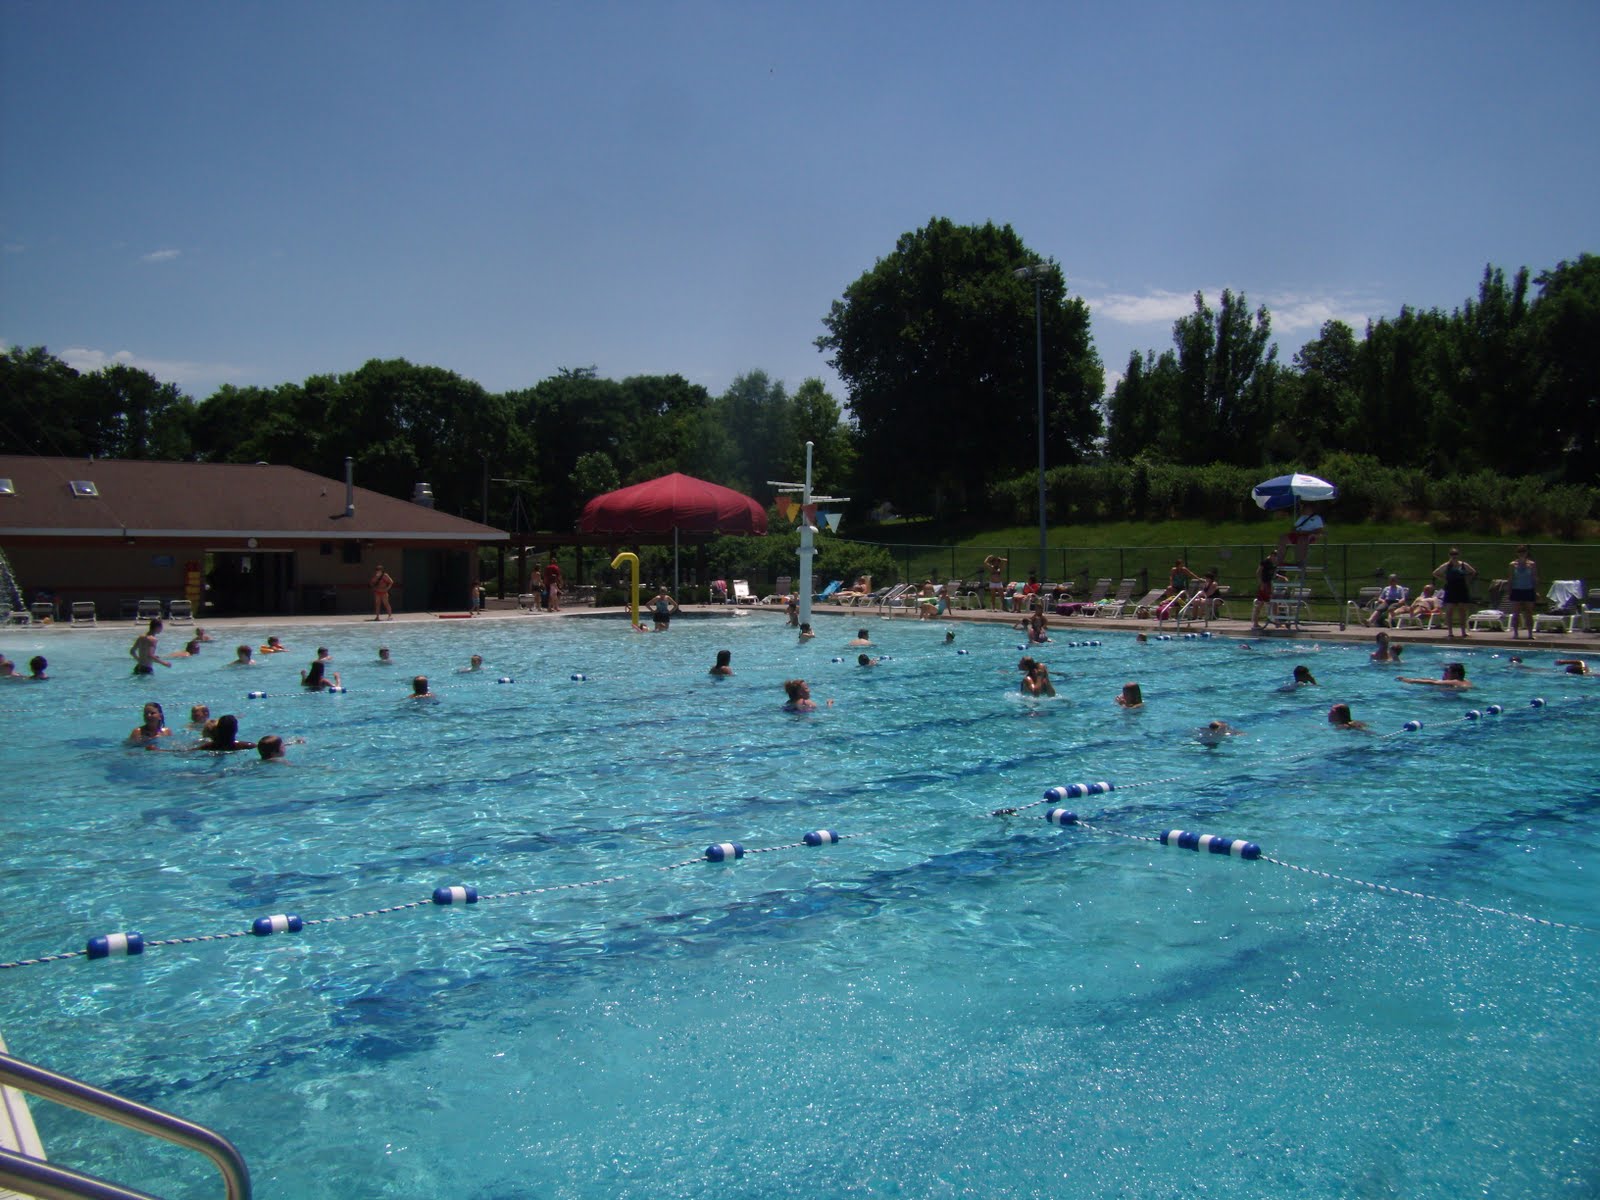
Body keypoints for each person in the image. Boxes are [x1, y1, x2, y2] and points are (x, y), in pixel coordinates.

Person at [1431, 549, 1478, 639]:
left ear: (1458, 555)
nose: (1454, 556)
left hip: (1461, 588)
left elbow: (1473, 572)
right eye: (1452, 554)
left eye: (1455, 554)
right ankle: (1450, 632)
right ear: (1449, 555)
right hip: (1451, 589)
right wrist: (1444, 578)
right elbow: (1435, 573)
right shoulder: (1447, 565)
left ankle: (1463, 632)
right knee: (1449, 611)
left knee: (1462, 611)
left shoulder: (1463, 565)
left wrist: (1468, 580)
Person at [1507, 546, 1540, 640]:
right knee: (1516, 613)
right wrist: (1510, 592)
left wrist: (1536, 591)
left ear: (1526, 553)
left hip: (1528, 590)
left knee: (1529, 613)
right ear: (1517, 553)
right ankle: (1516, 633)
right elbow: (1510, 579)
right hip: (1516, 590)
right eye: (1520, 552)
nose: (1522, 554)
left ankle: (1530, 633)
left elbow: (1534, 578)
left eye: (1523, 552)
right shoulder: (1513, 565)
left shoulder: (1531, 564)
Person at [1251, 551, 1285, 631]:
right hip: (1264, 585)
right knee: (1260, 604)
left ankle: (1276, 621)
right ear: (1272, 555)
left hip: (1269, 585)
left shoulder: (1273, 563)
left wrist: (1280, 577)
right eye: (1276, 557)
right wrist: (1261, 583)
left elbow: (1271, 574)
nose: (1276, 559)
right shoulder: (1265, 562)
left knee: (1274, 603)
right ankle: (1255, 623)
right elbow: (1258, 572)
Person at [1399, 662, 1471, 689]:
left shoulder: (1455, 682)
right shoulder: (1465, 681)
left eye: (1448, 671)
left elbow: (1433, 683)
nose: (1445, 673)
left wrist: (1410, 680)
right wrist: (1422, 678)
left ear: (1456, 674)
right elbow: (1436, 681)